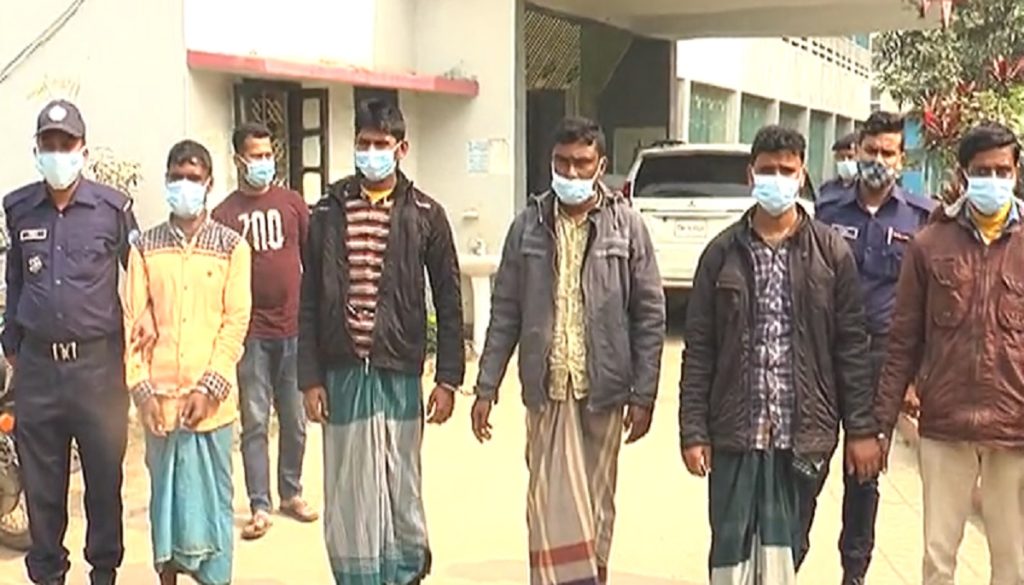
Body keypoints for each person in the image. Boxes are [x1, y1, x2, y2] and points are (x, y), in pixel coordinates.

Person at [680, 125, 881, 585]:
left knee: (789, 548)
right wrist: (693, 431)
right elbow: (700, 350)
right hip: (735, 433)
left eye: (786, 170)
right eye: (767, 170)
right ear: (751, 175)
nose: (777, 179)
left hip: (802, 435)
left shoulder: (831, 253)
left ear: (802, 173)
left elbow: (852, 347)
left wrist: (860, 429)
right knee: (730, 551)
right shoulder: (721, 254)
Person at [472, 116, 666, 585]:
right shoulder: (527, 226)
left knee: (596, 506)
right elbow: (505, 311)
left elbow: (649, 313)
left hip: (603, 391)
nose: (572, 173)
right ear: (550, 163)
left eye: (582, 163)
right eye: (563, 163)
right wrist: (486, 386)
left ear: (601, 165)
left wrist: (644, 394)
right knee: (545, 505)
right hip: (547, 390)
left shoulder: (627, 226)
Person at [298, 99, 464, 585]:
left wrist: (448, 379)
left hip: (398, 370)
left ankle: (404, 572)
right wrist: (309, 378)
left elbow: (449, 299)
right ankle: (357, 576)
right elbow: (309, 300)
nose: (371, 152)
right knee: (348, 488)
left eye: (381, 144)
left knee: (400, 480)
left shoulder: (426, 214)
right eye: (363, 143)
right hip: (343, 371)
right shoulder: (327, 211)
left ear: (401, 148)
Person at [875, 122, 1024, 585]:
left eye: (1002, 170)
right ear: (963, 174)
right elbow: (903, 339)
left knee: (1014, 563)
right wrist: (882, 424)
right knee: (938, 560)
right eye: (982, 171)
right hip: (945, 422)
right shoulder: (929, 244)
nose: (993, 180)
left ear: (1016, 172)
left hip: (1015, 427)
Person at [3, 100, 137, 585]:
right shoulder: (19, 209)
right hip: (39, 370)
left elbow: (140, 278)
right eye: (49, 144)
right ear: (37, 149)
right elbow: (16, 278)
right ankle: (47, 574)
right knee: (42, 487)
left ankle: (103, 572)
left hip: (98, 370)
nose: (58, 152)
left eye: (67, 143)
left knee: (103, 481)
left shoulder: (113, 209)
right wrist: (12, 343)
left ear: (83, 149)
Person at [800, 111, 935, 585]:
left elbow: (927, 304)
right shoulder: (829, 207)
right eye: (871, 150)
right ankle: (788, 558)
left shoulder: (920, 217)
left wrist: (915, 378)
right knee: (806, 464)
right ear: (856, 151)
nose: (878, 160)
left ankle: (854, 572)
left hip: (882, 359)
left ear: (902, 158)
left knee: (865, 475)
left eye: (887, 153)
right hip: (825, 354)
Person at [123, 140, 251, 585]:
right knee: (166, 508)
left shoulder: (232, 247)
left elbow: (235, 322)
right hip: (160, 406)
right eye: (176, 177)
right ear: (166, 180)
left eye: (193, 178)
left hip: (212, 407)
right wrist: (142, 392)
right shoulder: (144, 248)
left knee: (213, 507)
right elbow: (133, 323)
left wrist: (209, 386)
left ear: (209, 184)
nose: (184, 185)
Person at [211, 122, 315, 540]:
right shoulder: (224, 215)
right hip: (250, 335)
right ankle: (259, 505)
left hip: (294, 330)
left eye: (268, 155)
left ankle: (292, 492)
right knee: (255, 422)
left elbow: (312, 260)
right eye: (255, 156)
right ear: (239, 160)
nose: (263, 162)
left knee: (295, 418)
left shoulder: (292, 204)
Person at [819, 132, 859, 198]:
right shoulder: (828, 189)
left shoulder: (866, 191)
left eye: (850, 157)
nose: (846, 161)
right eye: (841, 158)